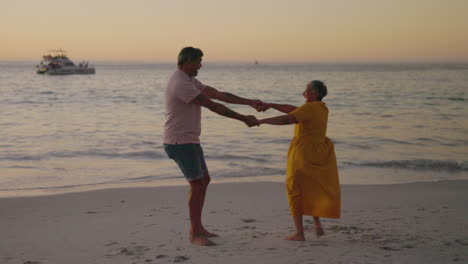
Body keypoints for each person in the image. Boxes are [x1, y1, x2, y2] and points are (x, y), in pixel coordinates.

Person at [163, 47, 267, 246]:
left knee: (204, 180)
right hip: (179, 142)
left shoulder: (190, 80)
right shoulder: (180, 83)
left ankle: (199, 228)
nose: (201, 66)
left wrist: (250, 103)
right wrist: (243, 119)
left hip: (190, 140)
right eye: (198, 62)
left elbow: (219, 95)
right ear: (188, 62)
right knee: (197, 184)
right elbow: (214, 106)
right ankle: (194, 234)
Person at [259, 80, 341, 241]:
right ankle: (317, 223)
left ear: (315, 93)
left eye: (307, 90)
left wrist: (261, 121)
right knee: (313, 187)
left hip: (303, 153)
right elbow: (294, 110)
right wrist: (270, 104)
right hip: (319, 152)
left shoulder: (309, 108)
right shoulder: (322, 108)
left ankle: (299, 233)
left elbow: (288, 119)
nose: (304, 92)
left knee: (294, 189)